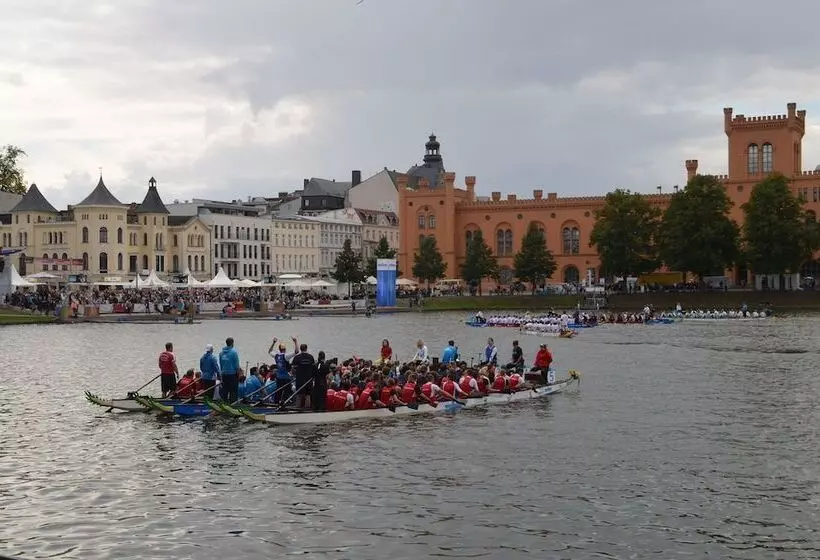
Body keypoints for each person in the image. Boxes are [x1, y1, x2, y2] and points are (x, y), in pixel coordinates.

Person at [269, 337, 297, 405]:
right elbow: (296, 351)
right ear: (285, 349)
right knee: (287, 391)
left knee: (278, 390)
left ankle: (276, 402)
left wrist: (273, 342)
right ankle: (284, 403)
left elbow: (269, 351)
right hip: (286, 377)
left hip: (279, 377)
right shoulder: (286, 356)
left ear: (279, 349)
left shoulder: (276, 355)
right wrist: (295, 342)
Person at [290, 339, 316, 409]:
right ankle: (307, 409)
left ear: (301, 349)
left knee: (299, 394)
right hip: (308, 380)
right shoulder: (311, 357)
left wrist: (294, 375)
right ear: (306, 349)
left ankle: (297, 408)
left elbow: (293, 368)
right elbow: (314, 368)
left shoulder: (297, 357)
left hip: (299, 379)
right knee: (308, 395)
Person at [219, 337, 241, 404]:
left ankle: (224, 403)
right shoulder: (234, 352)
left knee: (225, 391)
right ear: (232, 343)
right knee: (233, 391)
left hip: (224, 374)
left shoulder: (221, 353)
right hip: (232, 375)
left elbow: (221, 364)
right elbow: (237, 366)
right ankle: (233, 405)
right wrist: (238, 375)